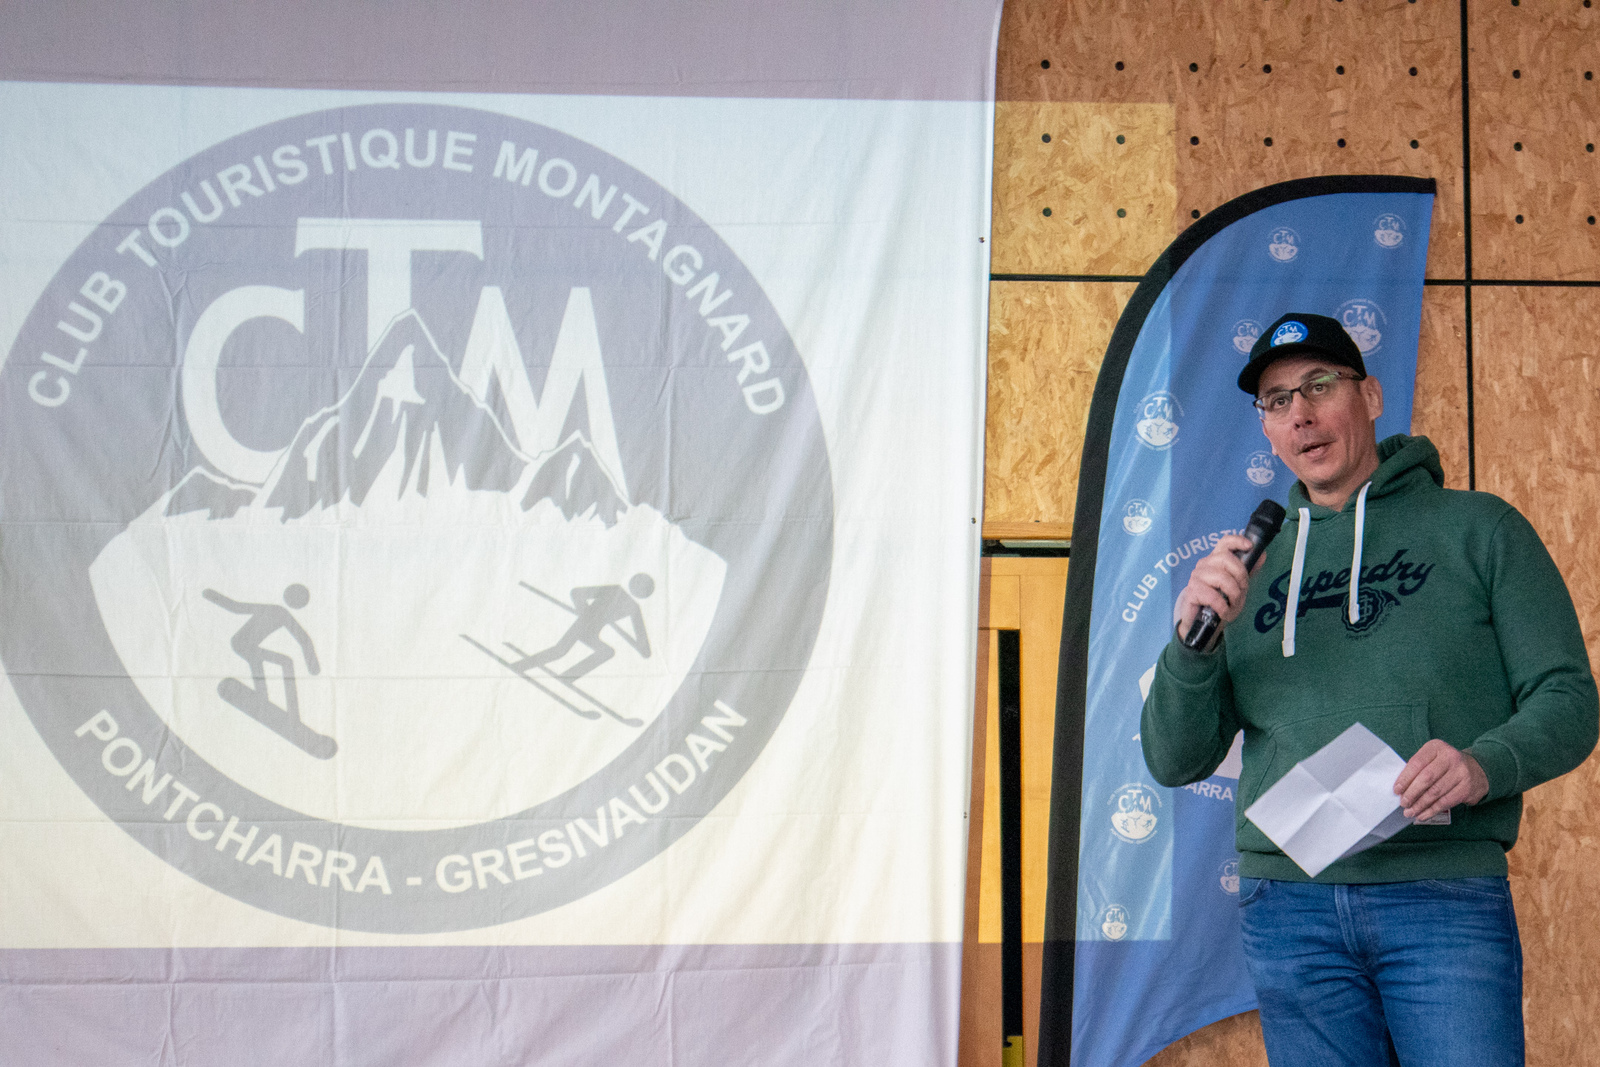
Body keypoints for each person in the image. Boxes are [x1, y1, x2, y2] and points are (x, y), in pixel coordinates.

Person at [1140, 312, 1598, 1066]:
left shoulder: (1481, 529)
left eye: (1320, 385)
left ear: (1372, 396)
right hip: (1291, 908)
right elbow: (1173, 758)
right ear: (1267, 429)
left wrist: (1482, 765)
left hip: (1441, 894)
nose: (1301, 413)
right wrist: (1195, 643)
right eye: (1278, 400)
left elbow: (1568, 699)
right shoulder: (1246, 569)